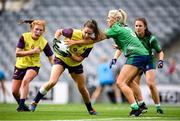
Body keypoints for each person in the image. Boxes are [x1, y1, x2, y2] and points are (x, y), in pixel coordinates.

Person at [65, 9, 150, 117]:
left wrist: (75, 42)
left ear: (115, 19)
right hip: (143, 55)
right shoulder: (124, 26)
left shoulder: (115, 28)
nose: (107, 20)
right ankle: (142, 104)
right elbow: (129, 41)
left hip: (136, 56)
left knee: (120, 82)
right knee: (130, 81)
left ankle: (135, 108)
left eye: (109, 18)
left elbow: (94, 40)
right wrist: (121, 46)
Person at [30, 19, 100, 115]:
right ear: (82, 29)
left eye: (89, 33)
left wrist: (69, 54)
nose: (87, 35)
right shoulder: (72, 32)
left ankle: (90, 109)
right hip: (61, 59)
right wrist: (55, 40)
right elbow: (59, 31)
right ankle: (34, 102)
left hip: (75, 64)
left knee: (82, 88)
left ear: (93, 33)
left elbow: (79, 59)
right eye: (85, 32)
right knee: (52, 81)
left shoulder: (90, 43)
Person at [12, 19, 54, 112]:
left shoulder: (44, 42)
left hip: (33, 66)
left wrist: (55, 67)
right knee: (14, 92)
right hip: (20, 65)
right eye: (36, 29)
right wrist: (33, 51)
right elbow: (17, 53)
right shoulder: (24, 37)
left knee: (25, 81)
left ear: (43, 31)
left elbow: (51, 57)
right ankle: (24, 107)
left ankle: (21, 107)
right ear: (32, 29)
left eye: (40, 30)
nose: (38, 32)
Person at [132, 17, 164, 114]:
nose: (138, 28)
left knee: (150, 84)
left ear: (145, 27)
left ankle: (158, 107)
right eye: (136, 26)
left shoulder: (151, 38)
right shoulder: (133, 37)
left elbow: (160, 51)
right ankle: (140, 106)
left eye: (140, 26)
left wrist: (160, 61)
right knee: (133, 84)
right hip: (137, 61)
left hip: (148, 61)